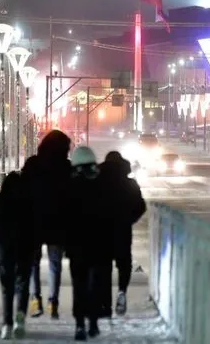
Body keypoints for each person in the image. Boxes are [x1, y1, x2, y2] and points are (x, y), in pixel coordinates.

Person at [22, 130, 73, 319]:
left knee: (33, 263)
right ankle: (53, 302)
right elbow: (71, 198)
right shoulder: (67, 168)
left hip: (34, 221)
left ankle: (36, 300)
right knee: (55, 264)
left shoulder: (33, 164)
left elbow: (24, 192)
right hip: (58, 223)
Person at [95, 151, 146, 318]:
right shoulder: (130, 183)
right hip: (122, 229)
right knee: (124, 264)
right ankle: (122, 291)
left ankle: (105, 305)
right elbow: (141, 206)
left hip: (101, 231)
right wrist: (129, 220)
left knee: (103, 267)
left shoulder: (97, 181)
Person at [0, 171, 35, 340]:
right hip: (25, 249)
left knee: (7, 288)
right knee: (23, 284)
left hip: (4, 249)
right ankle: (20, 318)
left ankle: (7, 324)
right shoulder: (28, 202)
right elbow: (36, 227)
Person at [66, 146, 107, 341]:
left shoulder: (71, 185)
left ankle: (80, 325)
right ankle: (93, 322)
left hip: (76, 246)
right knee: (96, 284)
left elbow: (61, 215)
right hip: (99, 244)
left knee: (79, 285)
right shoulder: (101, 184)